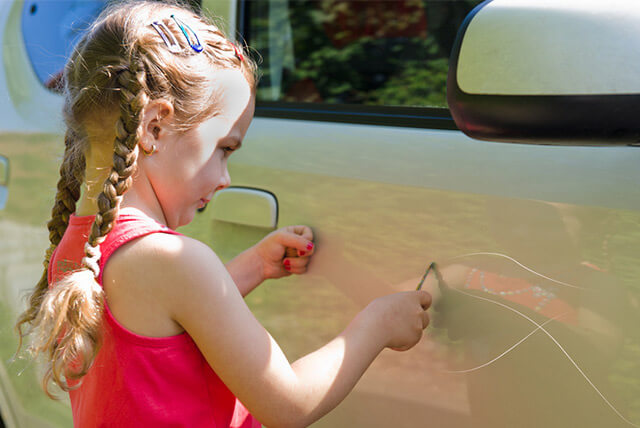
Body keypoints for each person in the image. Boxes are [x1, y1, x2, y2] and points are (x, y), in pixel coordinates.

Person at [14, 1, 432, 427]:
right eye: (224, 149)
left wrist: (253, 266)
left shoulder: (81, 244)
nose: (225, 177)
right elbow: (289, 405)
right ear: (154, 127)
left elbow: (160, 327)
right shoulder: (172, 262)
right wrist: (377, 323)